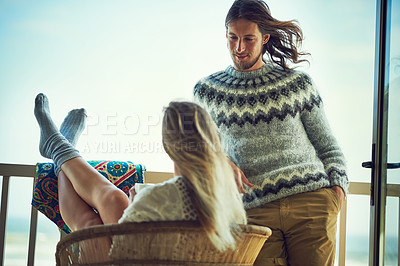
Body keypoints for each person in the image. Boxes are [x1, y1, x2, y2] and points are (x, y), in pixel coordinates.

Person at [193, 0, 349, 265]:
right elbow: (197, 148)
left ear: (265, 38)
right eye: (233, 37)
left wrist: (337, 192)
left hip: (310, 203)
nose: (239, 47)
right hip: (253, 213)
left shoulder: (297, 83)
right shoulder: (207, 91)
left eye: (248, 39)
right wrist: (221, 160)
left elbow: (327, 144)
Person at [33, 93, 247, 252]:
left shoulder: (157, 198)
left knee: (90, 223)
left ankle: (60, 147)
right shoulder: (231, 203)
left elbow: (120, 251)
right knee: (111, 201)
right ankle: (60, 148)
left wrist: (137, 204)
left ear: (168, 145)